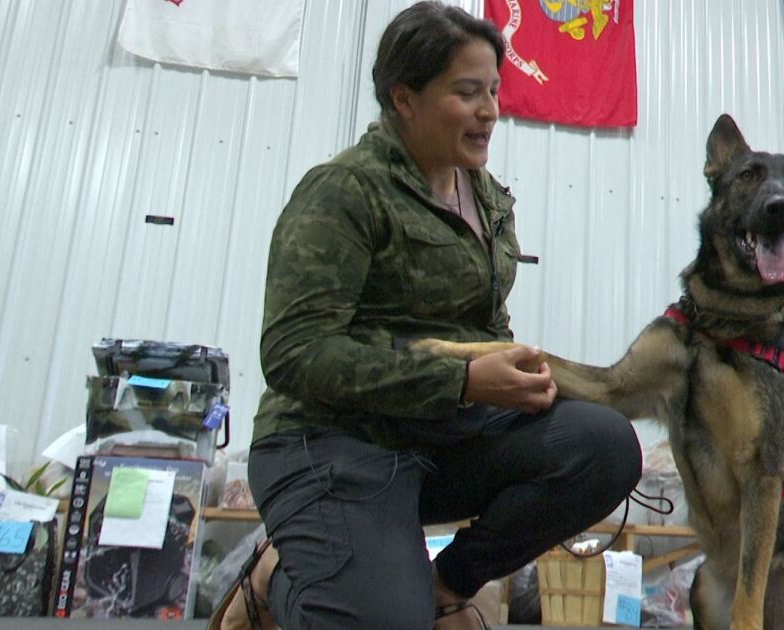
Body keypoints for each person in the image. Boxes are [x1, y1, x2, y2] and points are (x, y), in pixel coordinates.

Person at [208, 3, 643, 628]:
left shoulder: (487, 198)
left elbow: (482, 328)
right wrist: (461, 381)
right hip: (333, 442)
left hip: (444, 437)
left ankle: (444, 587)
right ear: (404, 99)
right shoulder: (344, 191)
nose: (489, 110)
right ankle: (272, 577)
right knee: (383, 622)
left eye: (493, 90)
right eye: (467, 93)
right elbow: (294, 355)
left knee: (603, 445)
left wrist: (512, 378)